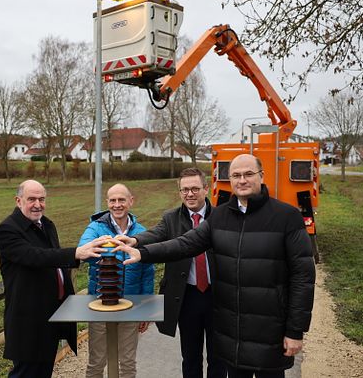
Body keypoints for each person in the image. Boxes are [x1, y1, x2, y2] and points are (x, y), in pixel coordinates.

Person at [114, 154, 316, 378]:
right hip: (232, 329)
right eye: (236, 175)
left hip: (269, 329)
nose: (242, 180)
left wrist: (295, 330)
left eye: (248, 174)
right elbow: (184, 244)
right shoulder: (220, 218)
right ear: (229, 179)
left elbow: (303, 277)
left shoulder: (286, 217)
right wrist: (141, 252)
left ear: (261, 176)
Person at [0, 179, 110, 378]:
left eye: (41, 199)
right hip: (28, 319)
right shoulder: (7, 229)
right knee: (26, 372)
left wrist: (87, 256)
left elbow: (54, 260)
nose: (37, 204)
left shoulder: (46, 225)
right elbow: (34, 257)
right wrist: (76, 253)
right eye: (31, 199)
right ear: (18, 200)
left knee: (44, 371)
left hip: (51, 314)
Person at [131, 167, 225, 378]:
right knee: (190, 356)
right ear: (179, 192)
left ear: (206, 189)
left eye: (194, 188)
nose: (189, 194)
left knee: (219, 358)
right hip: (187, 296)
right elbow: (155, 234)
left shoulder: (222, 217)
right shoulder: (171, 218)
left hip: (218, 297)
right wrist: (135, 241)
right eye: (184, 190)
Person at [78, 183, 154, 378]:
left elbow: (148, 272)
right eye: (113, 200)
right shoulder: (96, 228)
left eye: (121, 200)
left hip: (132, 306)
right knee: (96, 362)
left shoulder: (141, 232)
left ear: (131, 201)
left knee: (127, 363)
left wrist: (146, 309)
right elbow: (83, 251)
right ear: (107, 203)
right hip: (100, 304)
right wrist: (110, 247)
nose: (117, 204)